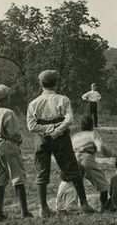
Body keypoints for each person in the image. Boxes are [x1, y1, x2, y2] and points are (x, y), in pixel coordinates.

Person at [27, 69, 94, 216]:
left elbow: (31, 126)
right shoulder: (63, 99)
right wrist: (56, 130)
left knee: (42, 171)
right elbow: (69, 119)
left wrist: (47, 129)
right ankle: (84, 203)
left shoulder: (33, 103)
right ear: (56, 83)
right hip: (61, 137)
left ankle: (43, 207)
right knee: (72, 168)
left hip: (42, 138)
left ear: (40, 84)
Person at [0, 84, 32, 221]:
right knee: (17, 177)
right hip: (6, 144)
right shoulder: (7, 112)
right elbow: (14, 134)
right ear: (5, 98)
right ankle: (24, 211)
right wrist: (18, 141)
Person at [72, 115, 115, 212]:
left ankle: (76, 204)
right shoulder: (93, 134)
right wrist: (111, 154)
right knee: (103, 184)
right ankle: (104, 205)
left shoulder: (76, 136)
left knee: (76, 183)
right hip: (87, 159)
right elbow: (100, 148)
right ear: (92, 125)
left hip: (74, 159)